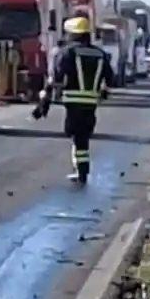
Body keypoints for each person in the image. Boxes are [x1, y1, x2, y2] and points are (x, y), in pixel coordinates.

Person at [37, 15, 113, 185]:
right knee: (83, 137)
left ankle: (82, 172)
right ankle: (81, 169)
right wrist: (104, 91)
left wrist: (47, 96)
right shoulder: (100, 54)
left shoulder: (67, 52)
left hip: (72, 100)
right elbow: (110, 78)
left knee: (76, 136)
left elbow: (56, 76)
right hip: (91, 102)